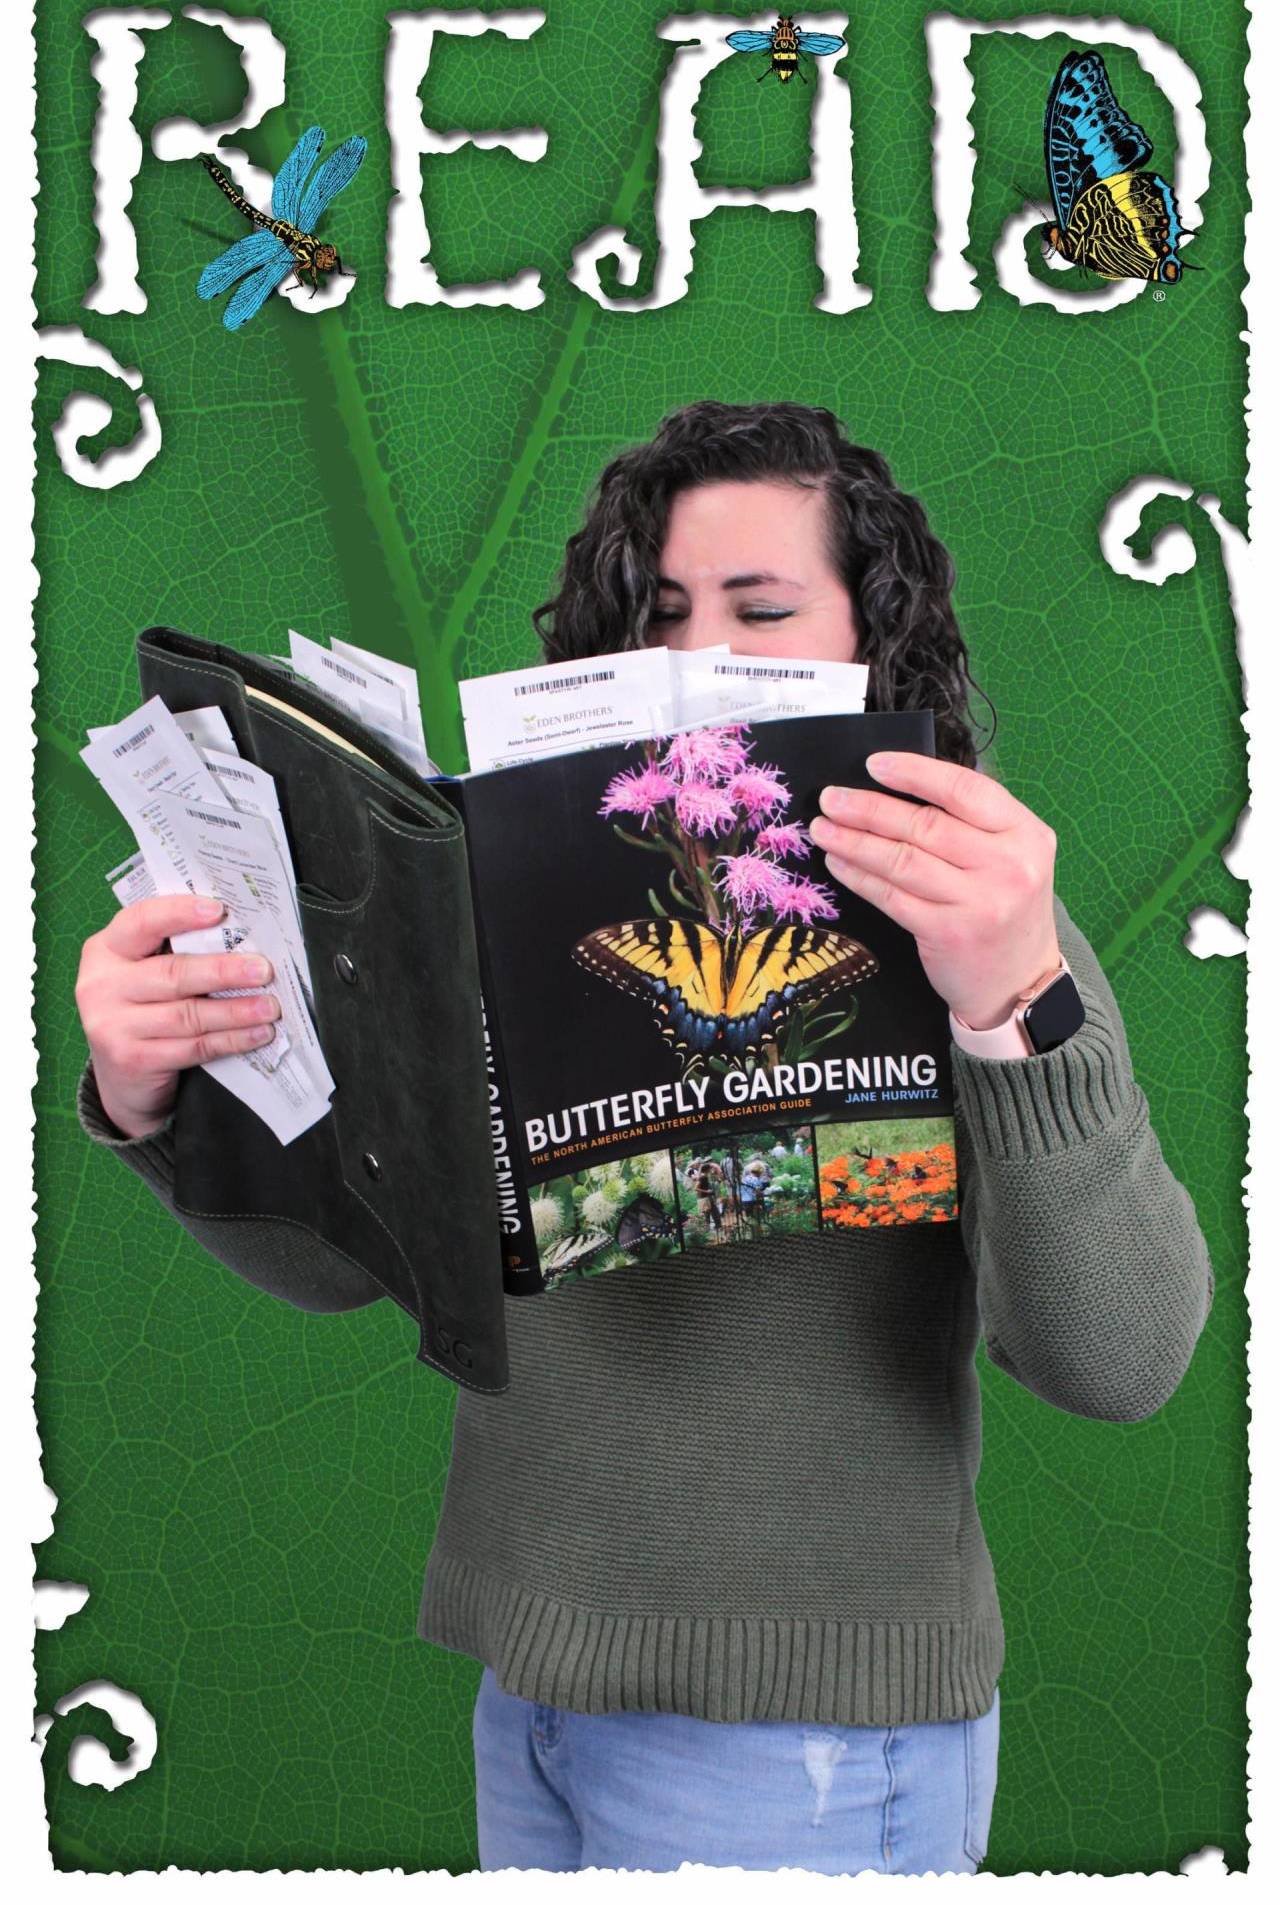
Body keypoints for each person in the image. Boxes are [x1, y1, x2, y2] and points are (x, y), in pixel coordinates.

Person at [72, 400, 1214, 1876]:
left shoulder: (972, 913)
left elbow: (1122, 1358)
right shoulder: (513, 901)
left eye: (760, 611)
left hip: (805, 1736)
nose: (695, 665)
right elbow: (352, 1267)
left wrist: (1017, 1001)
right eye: (658, 613)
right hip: (533, 1688)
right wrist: (163, 1095)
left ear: (871, 644)